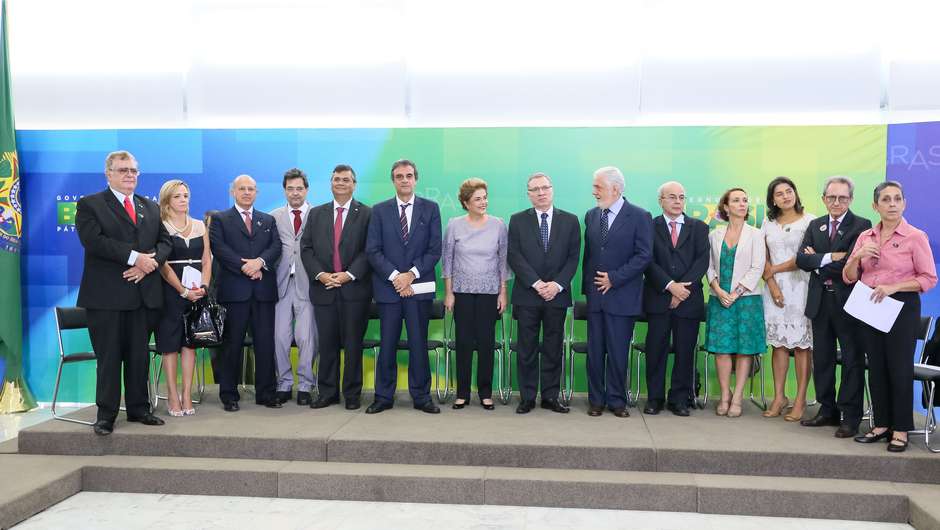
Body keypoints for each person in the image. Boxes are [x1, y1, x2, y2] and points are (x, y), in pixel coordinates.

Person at [76, 150, 171, 435]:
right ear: (108, 174)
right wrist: (134, 258)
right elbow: (93, 242)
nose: (130, 175)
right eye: (123, 170)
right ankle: (106, 415)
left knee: (138, 356)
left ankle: (139, 409)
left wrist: (149, 264)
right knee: (109, 358)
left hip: (143, 296)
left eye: (133, 170)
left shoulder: (149, 206)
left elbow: (165, 242)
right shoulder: (90, 204)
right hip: (107, 298)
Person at [845, 181, 937, 452]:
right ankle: (881, 424)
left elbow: (929, 278)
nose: (892, 204)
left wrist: (894, 287)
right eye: (886, 200)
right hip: (870, 306)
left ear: (904, 203)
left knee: (899, 368)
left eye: (897, 199)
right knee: (876, 368)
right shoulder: (865, 237)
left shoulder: (915, 236)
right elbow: (849, 277)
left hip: (901, 306)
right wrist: (856, 257)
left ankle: (901, 429)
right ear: (875, 206)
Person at [795, 176, 871, 438]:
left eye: (842, 198)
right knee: (823, 358)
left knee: (852, 360)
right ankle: (827, 411)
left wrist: (818, 258)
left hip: (848, 302)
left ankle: (850, 416)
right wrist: (828, 257)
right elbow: (801, 260)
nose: (836, 202)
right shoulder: (815, 224)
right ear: (823, 199)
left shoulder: (862, 225)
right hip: (820, 301)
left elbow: (851, 264)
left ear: (850, 199)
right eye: (831, 197)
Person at [365, 159, 442, 414]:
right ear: (393, 180)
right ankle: (383, 396)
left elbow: (434, 250)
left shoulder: (430, 209)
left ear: (416, 179)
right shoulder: (379, 210)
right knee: (387, 344)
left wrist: (410, 275)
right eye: (399, 176)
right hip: (389, 290)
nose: (405, 180)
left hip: (418, 289)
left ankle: (422, 397)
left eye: (409, 175)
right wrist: (397, 277)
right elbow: (373, 251)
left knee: (418, 344)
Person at [507, 172, 581, 414]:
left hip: (557, 296)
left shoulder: (570, 221)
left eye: (544, 188)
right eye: (535, 189)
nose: (540, 193)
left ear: (552, 190)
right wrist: (537, 284)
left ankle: (550, 396)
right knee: (526, 348)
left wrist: (556, 285)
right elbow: (514, 256)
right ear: (528, 195)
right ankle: (527, 397)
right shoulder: (517, 220)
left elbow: (573, 258)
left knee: (553, 347)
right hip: (528, 295)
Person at [582, 166, 653, 418]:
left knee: (618, 352)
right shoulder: (591, 215)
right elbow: (590, 255)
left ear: (616, 188)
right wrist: (588, 290)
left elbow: (644, 255)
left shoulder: (639, 216)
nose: (594, 192)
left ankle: (616, 400)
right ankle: (596, 400)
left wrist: (614, 278)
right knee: (594, 352)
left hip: (622, 296)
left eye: (598, 187)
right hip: (595, 297)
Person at [209, 175, 282, 411]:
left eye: (251, 189)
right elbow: (220, 249)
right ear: (233, 191)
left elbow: (276, 247)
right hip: (234, 292)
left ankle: (266, 393)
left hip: (263, 292)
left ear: (257, 193)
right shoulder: (220, 219)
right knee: (232, 346)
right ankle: (229, 395)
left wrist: (259, 262)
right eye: (242, 188)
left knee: (265, 344)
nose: (247, 192)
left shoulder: (268, 219)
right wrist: (245, 267)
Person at [302, 164, 372, 410]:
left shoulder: (366, 213)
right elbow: (306, 249)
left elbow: (369, 250)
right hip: (324, 290)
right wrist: (321, 275)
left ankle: (352, 395)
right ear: (331, 184)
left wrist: (349, 274)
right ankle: (328, 392)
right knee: (327, 345)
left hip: (354, 291)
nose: (340, 183)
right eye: (336, 180)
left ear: (354, 184)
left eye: (345, 180)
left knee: (353, 345)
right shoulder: (317, 213)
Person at [642, 181, 709, 417]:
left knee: (685, 351)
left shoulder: (699, 227)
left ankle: (679, 398)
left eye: (682, 197)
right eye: (672, 197)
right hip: (658, 298)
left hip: (689, 301)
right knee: (656, 350)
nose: (678, 201)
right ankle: (655, 398)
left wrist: (682, 291)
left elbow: (702, 262)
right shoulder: (648, 226)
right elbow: (646, 261)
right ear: (661, 200)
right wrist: (670, 286)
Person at [442, 178, 509, 410]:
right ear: (465, 202)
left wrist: (503, 292)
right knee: (463, 343)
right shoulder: (454, 225)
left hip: (490, 292)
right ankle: (462, 394)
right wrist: (448, 292)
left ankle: (485, 393)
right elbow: (447, 260)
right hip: (461, 293)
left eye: (484, 198)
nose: (483, 202)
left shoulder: (499, 224)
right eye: (477, 199)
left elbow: (503, 261)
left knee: (486, 343)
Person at [704, 188, 766, 418]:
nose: (742, 204)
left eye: (745, 200)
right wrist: (719, 291)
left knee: (744, 351)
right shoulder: (715, 234)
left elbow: (757, 268)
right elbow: (708, 266)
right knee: (721, 350)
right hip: (719, 299)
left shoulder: (756, 234)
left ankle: (738, 397)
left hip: (746, 301)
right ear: (726, 207)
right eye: (736, 200)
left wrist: (736, 293)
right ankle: (725, 395)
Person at [154, 180, 211, 417]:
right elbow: (162, 264)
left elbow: (206, 259)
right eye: (177, 196)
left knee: (190, 344)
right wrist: (182, 290)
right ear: (167, 200)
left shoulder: (200, 225)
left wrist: (203, 287)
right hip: (170, 291)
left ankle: (187, 394)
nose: (183, 200)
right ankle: (172, 394)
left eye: (186, 195)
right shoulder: (161, 227)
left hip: (197, 291)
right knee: (170, 346)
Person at [760, 177, 813, 422]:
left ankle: (800, 399)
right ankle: (779, 397)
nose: (785, 196)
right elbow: (763, 258)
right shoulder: (768, 224)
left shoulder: (810, 221)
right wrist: (771, 285)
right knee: (779, 344)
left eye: (789, 191)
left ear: (796, 193)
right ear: (773, 200)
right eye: (779, 193)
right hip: (774, 291)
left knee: (802, 346)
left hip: (801, 287)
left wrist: (775, 271)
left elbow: (804, 257)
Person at [271, 168, 318, 406]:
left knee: (305, 337)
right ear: (285, 190)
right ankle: (284, 383)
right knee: (280, 337)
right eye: (290, 189)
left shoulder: (318, 215)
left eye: (299, 188)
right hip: (280, 285)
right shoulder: (274, 216)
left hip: (308, 284)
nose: (295, 193)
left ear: (307, 190)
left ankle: (306, 385)